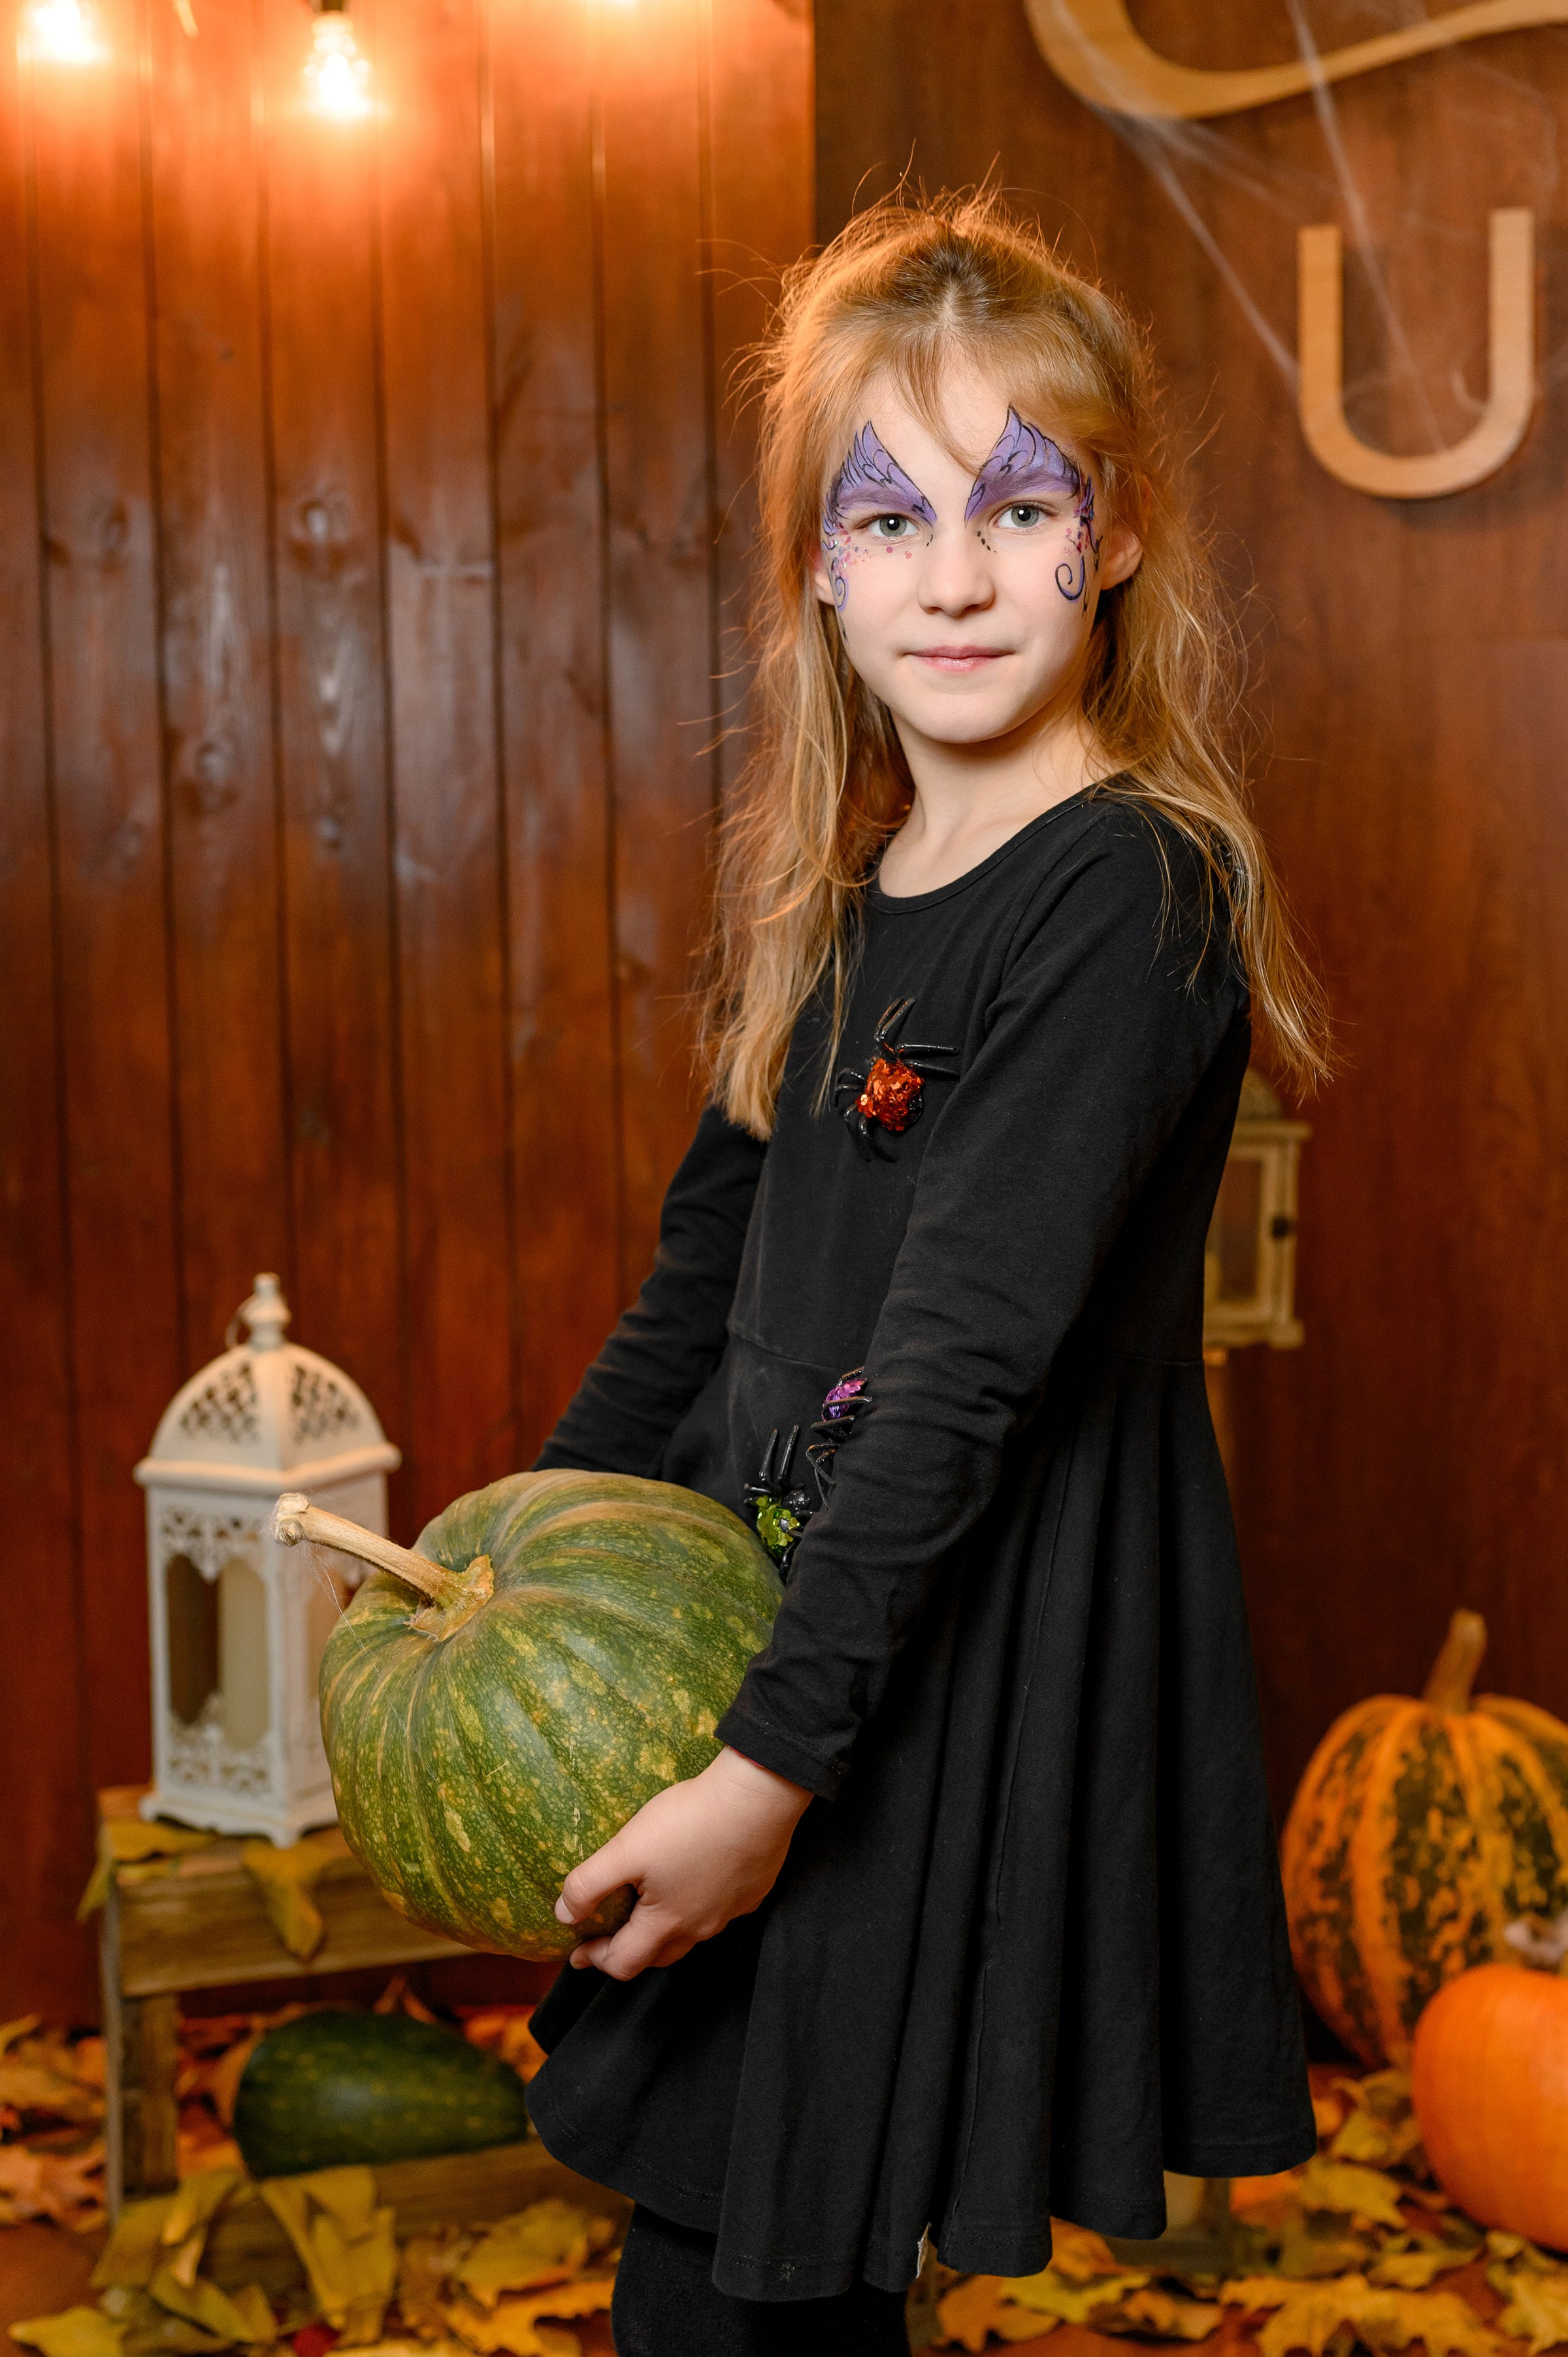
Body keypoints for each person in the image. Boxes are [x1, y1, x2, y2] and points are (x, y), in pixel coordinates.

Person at [522, 190, 1328, 2357]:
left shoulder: (1130, 894)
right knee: (717, 2268)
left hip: (924, 1661)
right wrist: (513, 1573)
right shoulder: (852, 874)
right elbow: (709, 1280)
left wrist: (769, 1775)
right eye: (888, 519)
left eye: (1019, 505)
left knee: (744, 2280)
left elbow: (960, 1370)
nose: (953, 575)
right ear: (816, 565)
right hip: (785, 1611)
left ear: (1123, 530)